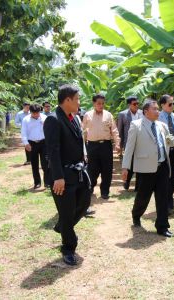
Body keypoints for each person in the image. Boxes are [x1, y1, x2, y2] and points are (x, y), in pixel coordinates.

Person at [121, 100, 174, 237]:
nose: (158, 112)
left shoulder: (162, 126)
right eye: (155, 109)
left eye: (158, 109)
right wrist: (125, 167)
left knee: (162, 197)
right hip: (146, 169)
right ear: (146, 112)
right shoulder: (136, 125)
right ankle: (136, 214)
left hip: (162, 166)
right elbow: (129, 148)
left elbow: (172, 141)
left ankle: (162, 227)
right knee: (143, 197)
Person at [43, 84, 91, 266]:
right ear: (68, 100)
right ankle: (68, 248)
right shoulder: (53, 120)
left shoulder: (74, 118)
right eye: (77, 99)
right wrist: (58, 177)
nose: (79, 102)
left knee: (84, 202)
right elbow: (53, 151)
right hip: (62, 175)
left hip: (77, 171)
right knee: (66, 211)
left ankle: (63, 226)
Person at [82, 94, 120, 199]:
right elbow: (83, 132)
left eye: (103, 103)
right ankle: (90, 189)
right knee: (92, 169)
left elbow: (114, 130)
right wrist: (82, 147)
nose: (101, 105)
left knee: (107, 170)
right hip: (92, 146)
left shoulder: (108, 115)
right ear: (94, 103)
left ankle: (105, 191)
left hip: (106, 146)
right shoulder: (87, 115)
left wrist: (117, 143)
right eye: (99, 103)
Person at [117, 95, 143, 191]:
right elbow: (120, 130)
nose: (136, 105)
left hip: (141, 143)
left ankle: (138, 187)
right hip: (129, 143)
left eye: (137, 103)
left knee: (140, 165)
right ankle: (127, 181)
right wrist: (119, 145)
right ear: (129, 104)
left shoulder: (142, 113)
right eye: (134, 104)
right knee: (130, 165)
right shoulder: (122, 114)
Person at [21, 104, 48, 189]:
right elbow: (23, 132)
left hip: (44, 142)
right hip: (32, 143)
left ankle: (47, 182)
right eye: (34, 113)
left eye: (38, 113)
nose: (36, 115)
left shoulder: (44, 118)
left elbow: (49, 130)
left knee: (45, 163)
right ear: (30, 112)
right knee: (34, 164)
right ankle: (37, 183)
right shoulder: (26, 120)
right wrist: (26, 143)